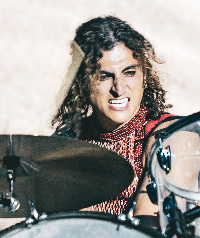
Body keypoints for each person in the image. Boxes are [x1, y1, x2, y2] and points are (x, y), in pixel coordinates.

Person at [52, 15, 177, 220]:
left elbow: (149, 229)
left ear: (144, 76)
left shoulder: (168, 134)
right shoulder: (67, 139)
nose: (119, 89)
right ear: (82, 84)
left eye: (129, 73)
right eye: (104, 76)